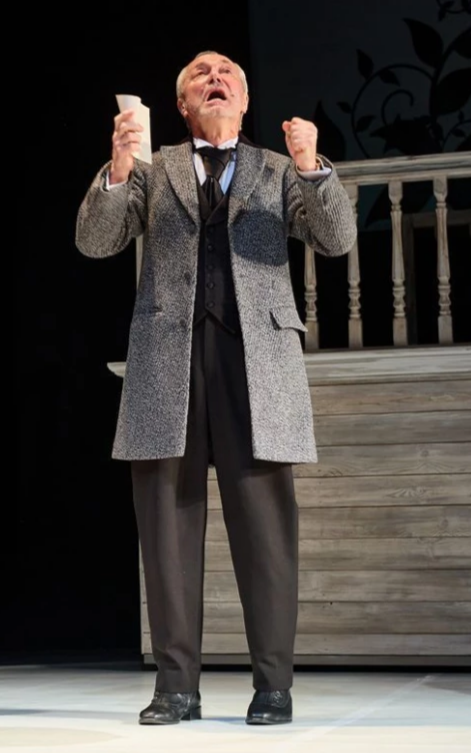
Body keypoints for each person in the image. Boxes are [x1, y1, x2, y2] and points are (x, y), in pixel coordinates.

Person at [75, 51, 357, 725]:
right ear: (181, 105)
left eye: (226, 71)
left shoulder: (278, 168)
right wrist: (118, 169)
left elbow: (336, 238)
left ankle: (273, 685)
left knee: (266, 531)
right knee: (166, 527)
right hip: (166, 359)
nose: (214, 78)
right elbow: (94, 242)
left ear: (245, 98)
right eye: (200, 74)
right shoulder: (154, 169)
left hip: (255, 359)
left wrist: (312, 166)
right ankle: (176, 687)